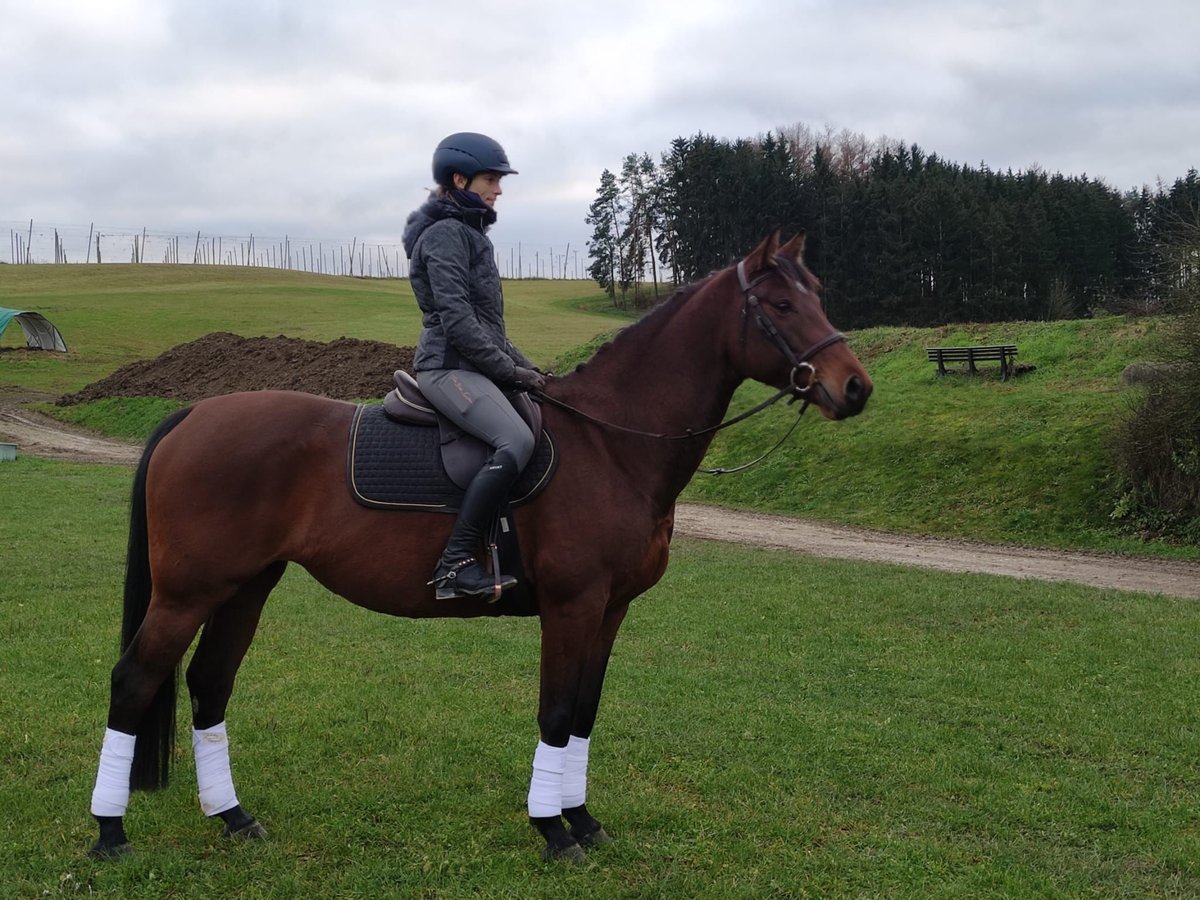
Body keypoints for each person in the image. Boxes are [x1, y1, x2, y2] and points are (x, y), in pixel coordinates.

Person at [402, 132, 546, 600]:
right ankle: (455, 564)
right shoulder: (445, 235)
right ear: (459, 179)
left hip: (473, 365)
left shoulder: (469, 234)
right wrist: (510, 373)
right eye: (490, 180)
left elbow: (492, 331)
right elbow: (459, 322)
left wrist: (535, 373)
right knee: (516, 439)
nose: (498, 190)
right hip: (447, 368)